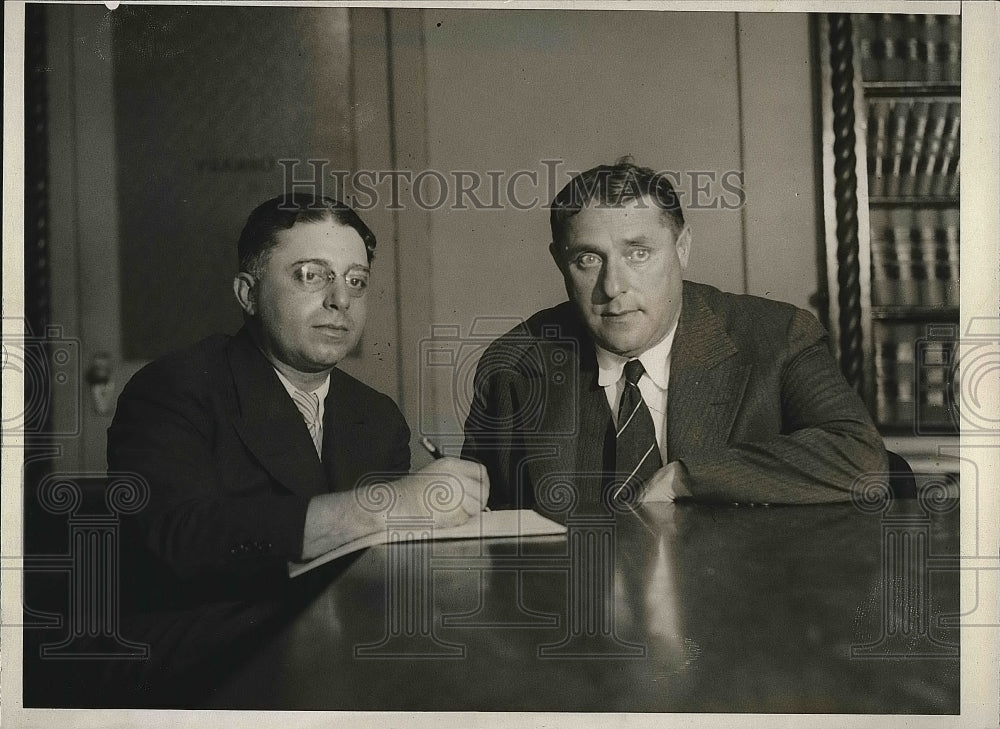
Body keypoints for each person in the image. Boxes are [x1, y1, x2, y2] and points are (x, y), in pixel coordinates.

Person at [108, 193, 487, 600]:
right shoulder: (175, 388)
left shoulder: (377, 416)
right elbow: (178, 539)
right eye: (311, 275)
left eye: (355, 280)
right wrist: (387, 506)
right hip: (221, 649)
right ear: (247, 294)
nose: (341, 300)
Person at [462, 160, 887, 509]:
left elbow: (862, 459)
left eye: (639, 253)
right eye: (589, 259)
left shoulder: (776, 336)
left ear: (682, 248)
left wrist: (687, 477)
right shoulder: (515, 368)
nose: (613, 287)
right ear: (560, 263)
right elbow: (477, 515)